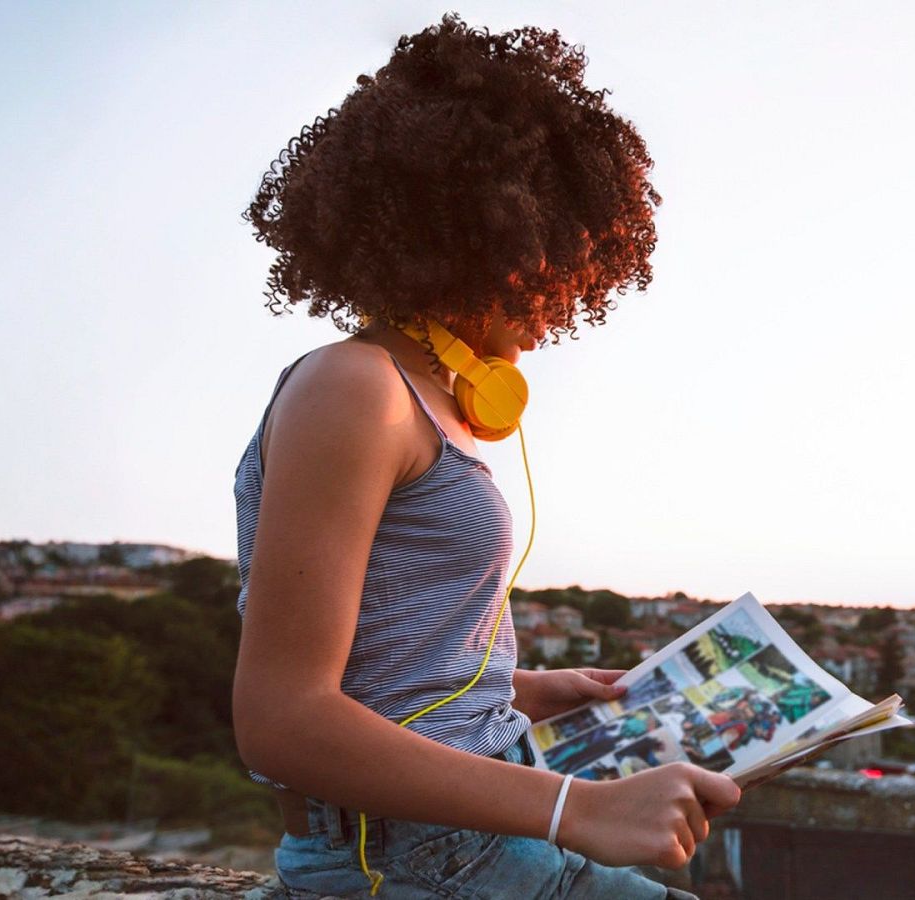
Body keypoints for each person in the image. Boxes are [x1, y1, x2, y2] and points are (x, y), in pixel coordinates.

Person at [231, 13, 741, 898]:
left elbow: (388, 664)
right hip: (408, 859)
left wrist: (522, 689)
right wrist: (573, 808)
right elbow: (281, 721)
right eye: (555, 271)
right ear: (497, 237)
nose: (557, 309)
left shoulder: (414, 393)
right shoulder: (356, 388)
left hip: (476, 833)